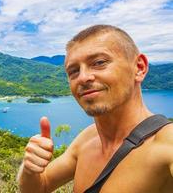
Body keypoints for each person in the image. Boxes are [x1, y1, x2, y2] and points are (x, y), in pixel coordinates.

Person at [17, 25, 173, 193]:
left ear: (139, 67)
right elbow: (40, 186)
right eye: (74, 71)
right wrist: (29, 169)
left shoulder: (165, 143)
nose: (83, 77)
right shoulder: (87, 138)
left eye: (99, 63)